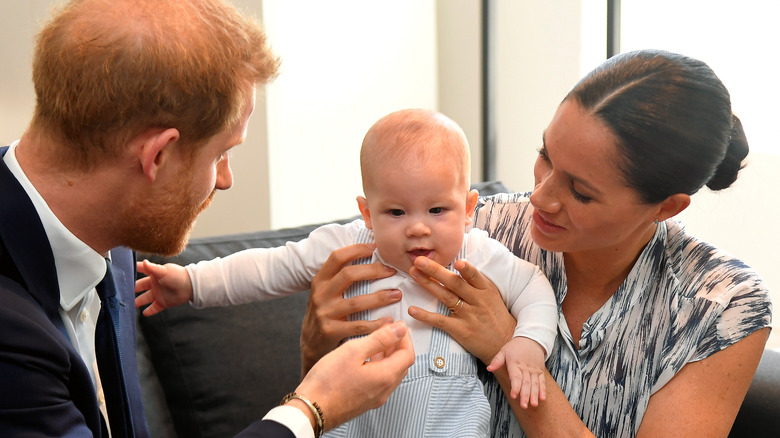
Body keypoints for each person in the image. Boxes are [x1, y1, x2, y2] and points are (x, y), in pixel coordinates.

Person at [299, 49, 773, 437]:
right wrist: (316, 343)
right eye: (545, 156)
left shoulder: (722, 307)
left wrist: (507, 348)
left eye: (580, 192)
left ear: (666, 207)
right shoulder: (474, 228)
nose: (541, 198)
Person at [0, 0, 415, 437]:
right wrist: (311, 410)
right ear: (157, 155)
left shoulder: (113, 235)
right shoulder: (11, 335)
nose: (225, 179)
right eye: (221, 153)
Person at [134, 108, 558, 437]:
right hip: (358, 420)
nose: (417, 227)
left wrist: (527, 345)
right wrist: (191, 283)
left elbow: (534, 289)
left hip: (452, 424)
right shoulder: (349, 245)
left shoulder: (477, 253)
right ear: (366, 212)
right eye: (395, 211)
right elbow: (270, 266)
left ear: (468, 210)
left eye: (437, 209)